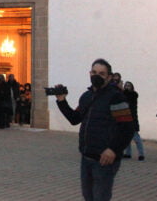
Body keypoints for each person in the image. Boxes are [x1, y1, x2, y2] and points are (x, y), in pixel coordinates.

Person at [55, 58, 134, 201]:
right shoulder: (87, 96)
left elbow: (127, 128)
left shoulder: (116, 97)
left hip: (104, 160)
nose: (97, 76)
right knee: (88, 196)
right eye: (94, 72)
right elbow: (75, 118)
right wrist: (61, 101)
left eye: (102, 73)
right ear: (89, 73)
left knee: (100, 197)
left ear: (109, 77)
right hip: (87, 156)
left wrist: (113, 149)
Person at [121, 82, 145, 161]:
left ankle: (141, 154)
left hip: (132, 118)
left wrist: (125, 92)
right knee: (126, 137)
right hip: (124, 117)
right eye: (126, 86)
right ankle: (128, 153)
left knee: (136, 137)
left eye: (129, 86)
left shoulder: (134, 95)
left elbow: (130, 102)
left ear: (132, 87)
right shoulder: (123, 94)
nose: (127, 87)